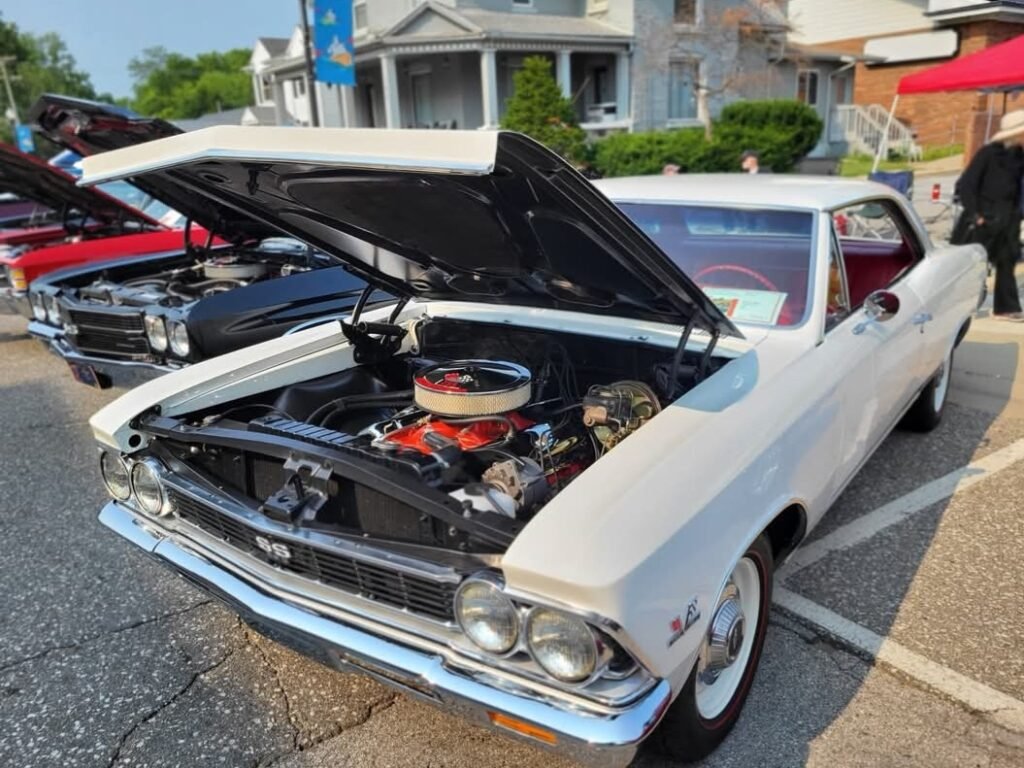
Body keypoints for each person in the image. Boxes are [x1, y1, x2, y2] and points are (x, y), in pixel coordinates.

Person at [952, 109, 1024, 320]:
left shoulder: (1020, 158)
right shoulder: (989, 154)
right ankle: (958, 306)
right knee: (972, 266)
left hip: (1009, 217)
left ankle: (1005, 307)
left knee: (1006, 262)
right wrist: (976, 215)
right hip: (984, 216)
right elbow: (967, 185)